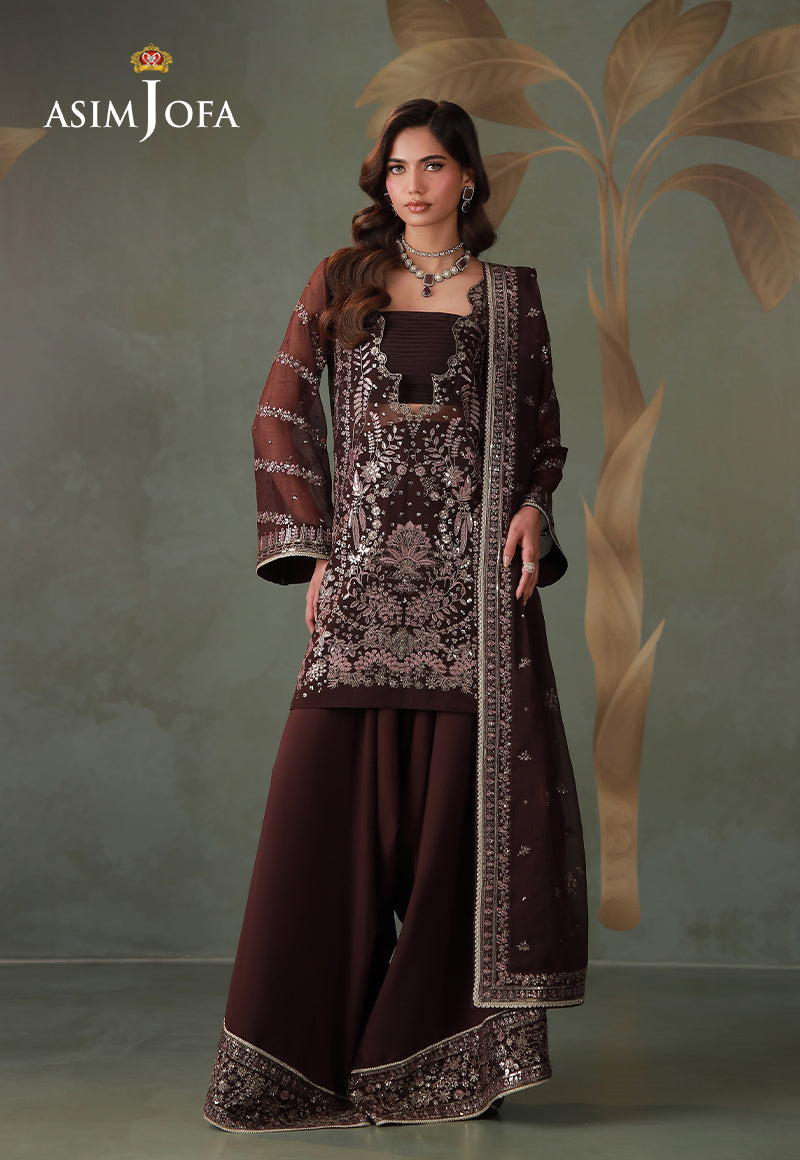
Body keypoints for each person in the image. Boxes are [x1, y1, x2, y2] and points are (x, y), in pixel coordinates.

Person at [204, 98, 588, 1133]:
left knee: (455, 828)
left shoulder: (511, 296)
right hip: (366, 580)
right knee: (324, 822)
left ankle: (441, 1054)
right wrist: (315, 548)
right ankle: (304, 1053)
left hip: (470, 593)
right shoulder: (341, 281)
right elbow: (281, 410)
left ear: (468, 177)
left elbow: (541, 435)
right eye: (395, 168)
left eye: (431, 166)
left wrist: (532, 505)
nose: (410, 185)